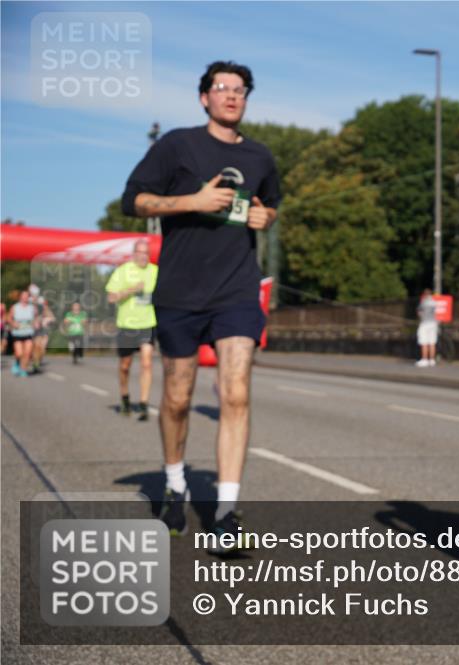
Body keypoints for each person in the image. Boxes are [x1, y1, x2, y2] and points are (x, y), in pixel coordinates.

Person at [121, 60, 280, 546]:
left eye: (240, 89)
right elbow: (134, 200)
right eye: (222, 87)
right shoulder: (177, 145)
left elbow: (270, 206)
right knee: (177, 398)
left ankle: (226, 512)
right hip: (181, 291)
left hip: (236, 289)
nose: (231, 95)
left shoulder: (259, 156)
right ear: (204, 97)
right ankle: (175, 485)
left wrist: (265, 217)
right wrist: (191, 202)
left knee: (235, 393)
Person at [106, 240, 158, 420]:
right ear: (134, 254)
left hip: (148, 323)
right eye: (140, 252)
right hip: (127, 325)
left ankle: (143, 404)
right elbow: (111, 298)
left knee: (147, 363)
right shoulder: (123, 271)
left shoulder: (155, 271)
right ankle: (125, 398)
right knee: (125, 366)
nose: (143, 256)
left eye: (146, 253)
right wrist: (131, 289)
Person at [6, 290, 38, 377]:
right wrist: (13, 323)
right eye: (24, 296)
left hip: (28, 333)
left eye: (27, 296)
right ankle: (17, 362)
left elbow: (36, 318)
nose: (25, 297)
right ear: (20, 297)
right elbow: (9, 318)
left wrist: (36, 323)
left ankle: (23, 369)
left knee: (27, 353)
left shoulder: (32, 308)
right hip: (18, 333)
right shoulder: (15, 307)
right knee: (19, 353)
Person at [415, 289, 439, 367]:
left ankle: (424, 359)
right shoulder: (434, 302)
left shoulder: (424, 302)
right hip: (433, 323)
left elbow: (419, 312)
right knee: (432, 343)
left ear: (425, 294)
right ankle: (432, 360)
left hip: (425, 323)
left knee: (424, 342)